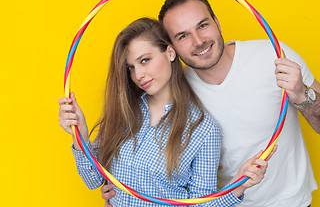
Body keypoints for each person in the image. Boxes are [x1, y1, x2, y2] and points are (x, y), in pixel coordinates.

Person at [99, 0, 320, 206]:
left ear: (217, 23)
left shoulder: (274, 56)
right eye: (183, 36)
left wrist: (303, 96)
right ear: (171, 49)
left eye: (203, 25)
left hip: (291, 202)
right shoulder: (176, 88)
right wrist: (124, 185)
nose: (198, 41)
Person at [59, 18, 273, 207]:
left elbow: (200, 204)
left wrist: (238, 186)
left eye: (145, 60)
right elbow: (93, 180)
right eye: (130, 67)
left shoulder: (203, 129)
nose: (139, 75)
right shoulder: (124, 111)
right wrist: (81, 136)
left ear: (170, 52)